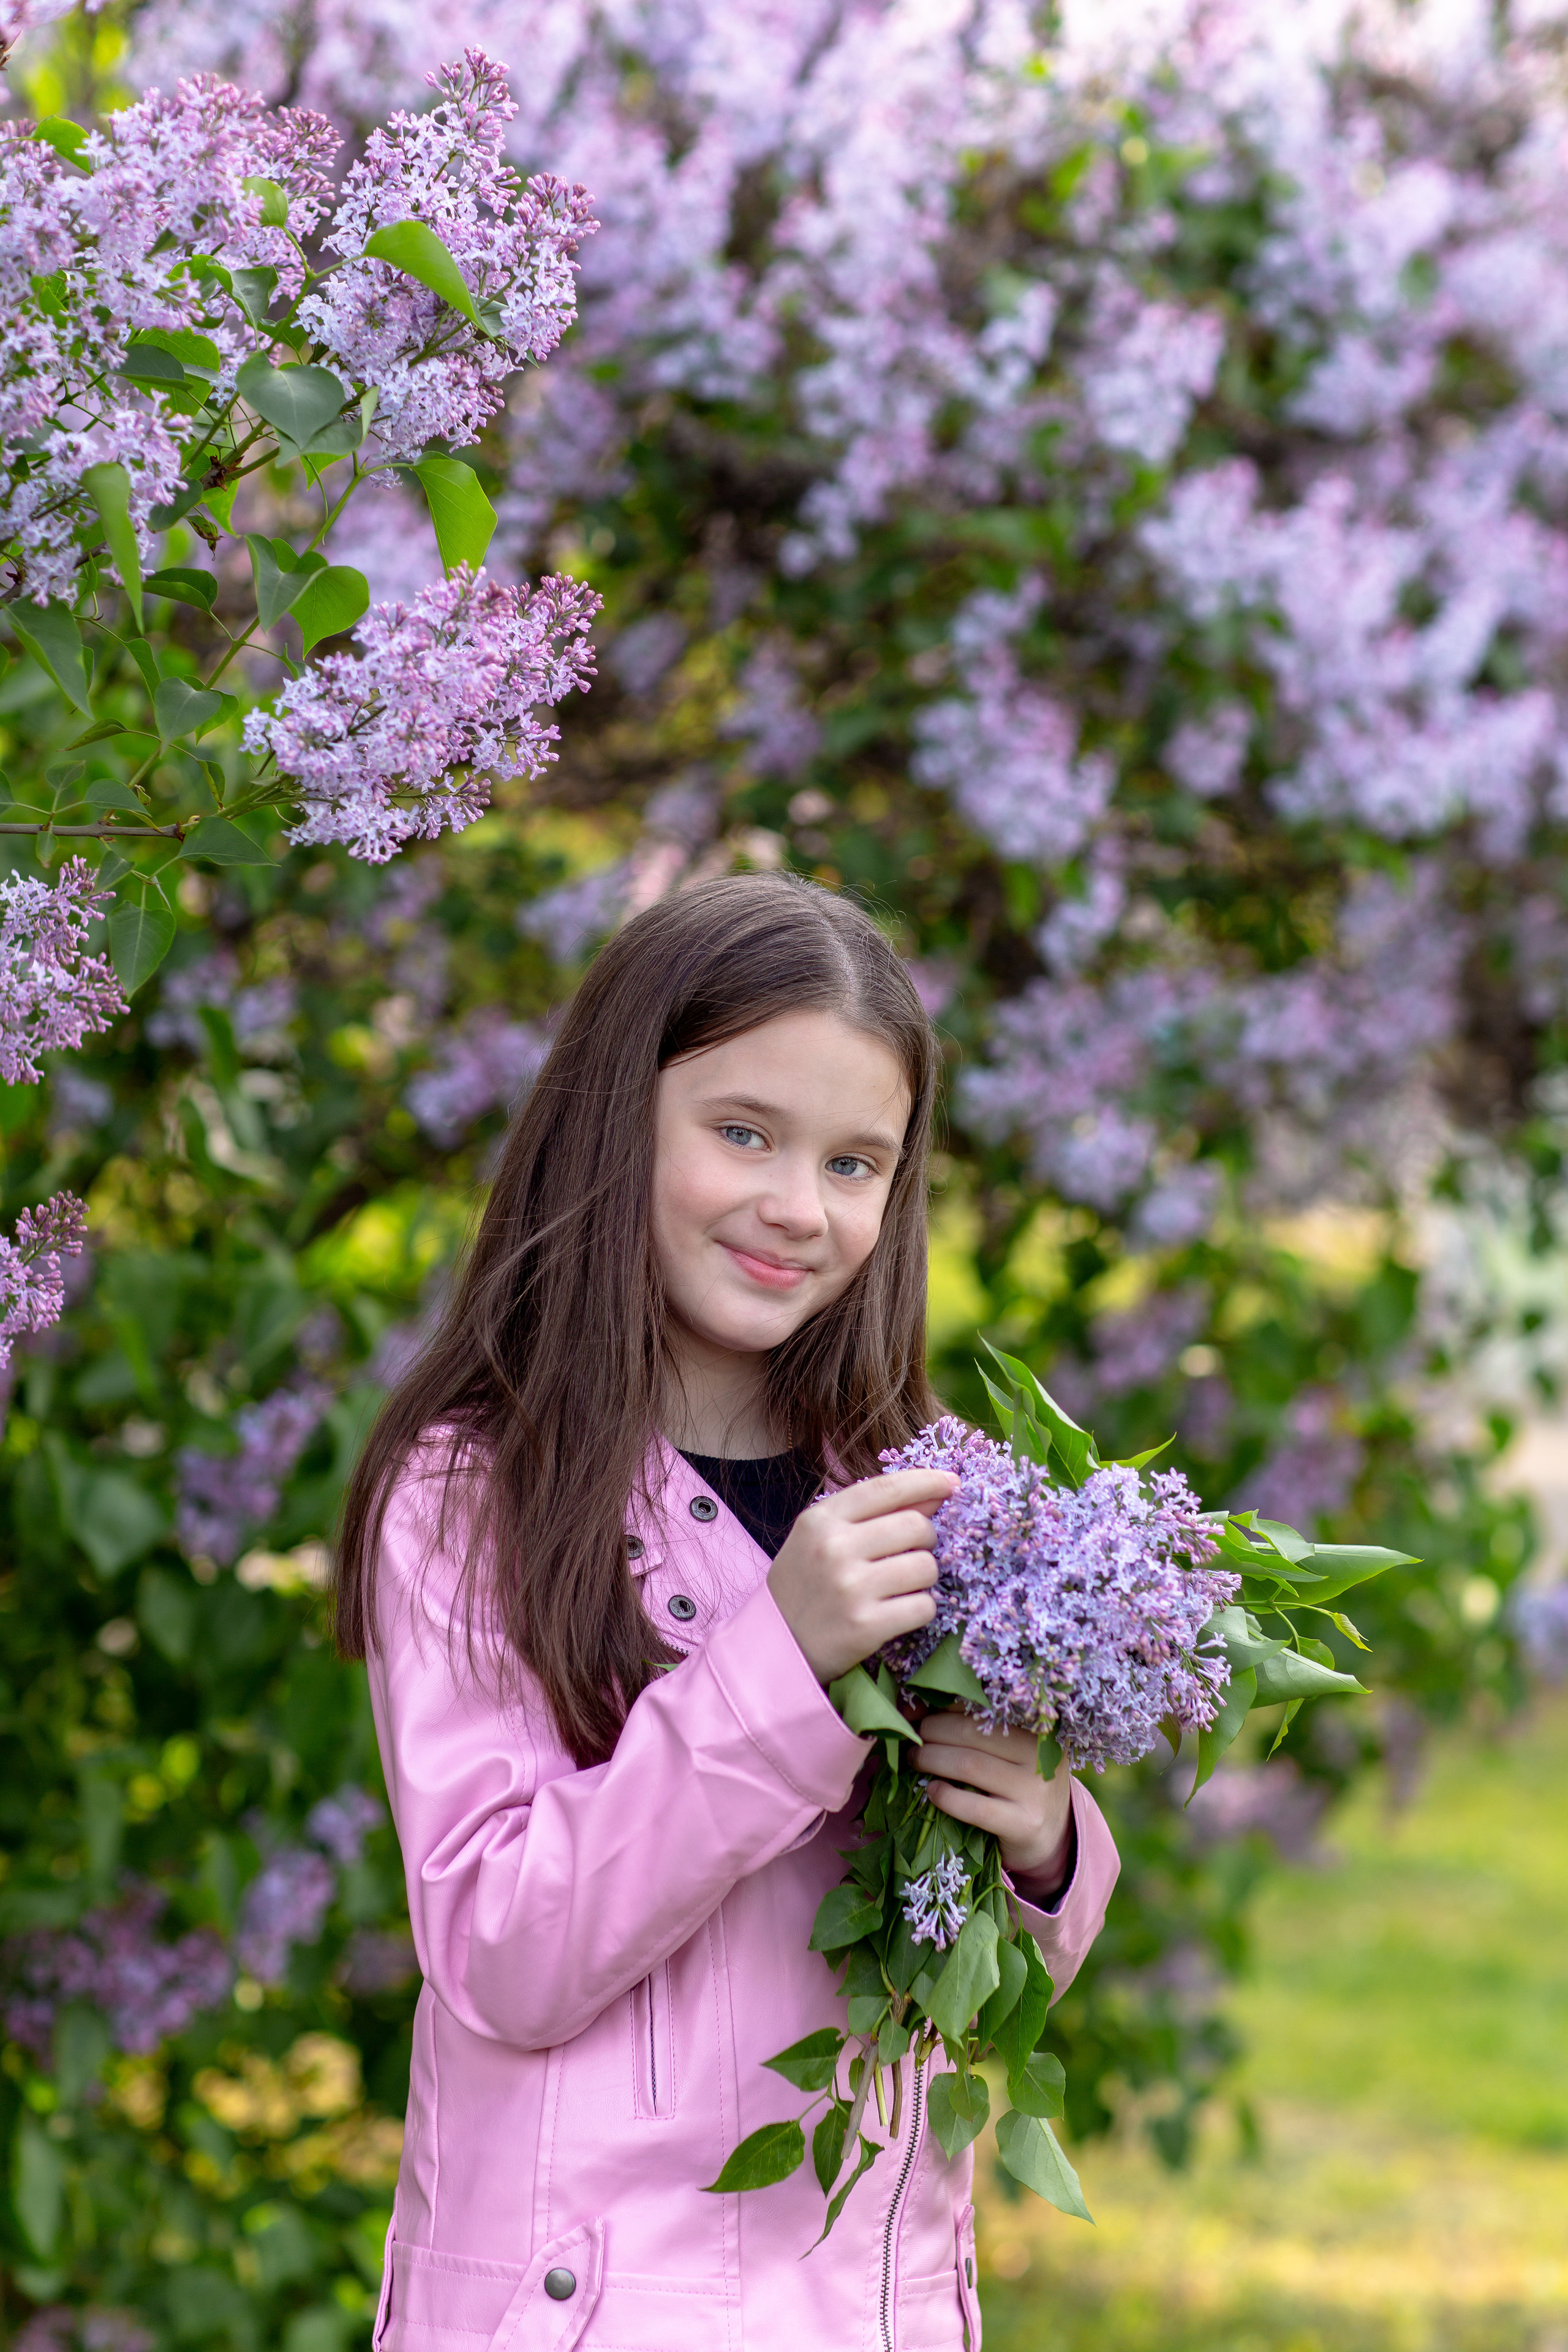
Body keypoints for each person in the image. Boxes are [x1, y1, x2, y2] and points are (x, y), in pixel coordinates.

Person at [336, 873, 1119, 2352]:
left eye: (852, 1162)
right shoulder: (470, 1492)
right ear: (613, 1120)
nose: (795, 1207)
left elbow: (965, 1995)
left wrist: (1040, 1847)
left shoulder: (916, 1493)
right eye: (743, 1133)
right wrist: (780, 1665)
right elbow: (501, 1948)